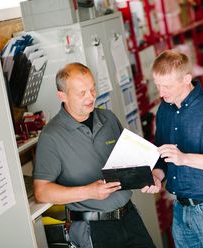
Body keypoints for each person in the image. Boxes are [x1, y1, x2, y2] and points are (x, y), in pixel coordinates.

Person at [33, 62, 155, 248]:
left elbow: (130, 161)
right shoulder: (51, 136)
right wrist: (88, 191)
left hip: (129, 217)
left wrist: (147, 176)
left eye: (92, 88)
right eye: (82, 93)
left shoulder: (108, 118)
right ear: (62, 96)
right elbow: (41, 192)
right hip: (93, 228)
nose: (91, 97)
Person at [142, 50, 203, 247]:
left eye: (167, 86)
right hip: (180, 208)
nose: (161, 92)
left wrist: (184, 158)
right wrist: (157, 175)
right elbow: (162, 154)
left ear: (187, 79)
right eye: (158, 85)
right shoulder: (164, 109)